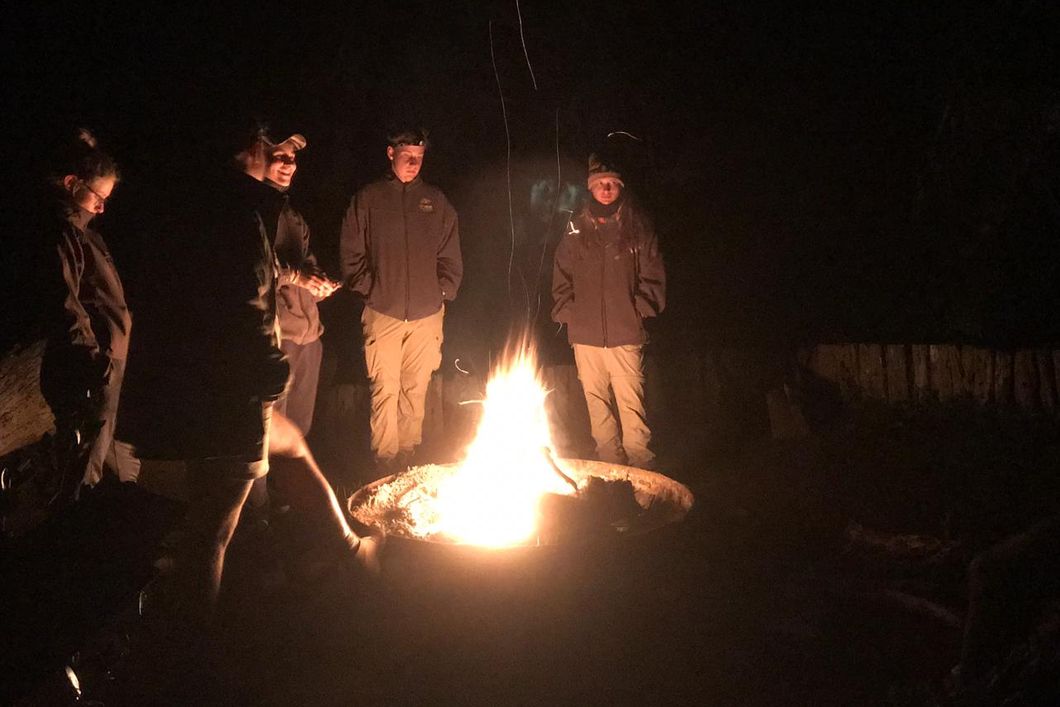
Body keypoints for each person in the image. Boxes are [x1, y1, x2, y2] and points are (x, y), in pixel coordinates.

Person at [339, 127, 462, 473]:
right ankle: (385, 462)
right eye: (406, 155)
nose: (413, 163)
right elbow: (351, 251)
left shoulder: (436, 202)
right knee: (385, 389)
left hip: (427, 314)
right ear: (390, 153)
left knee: (416, 388)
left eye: (419, 157)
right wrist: (369, 289)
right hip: (383, 312)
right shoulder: (369, 199)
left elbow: (450, 253)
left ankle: (408, 458)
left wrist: (442, 291)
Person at [37, 128, 140, 495]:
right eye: (99, 196)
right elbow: (65, 302)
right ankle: (72, 523)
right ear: (71, 183)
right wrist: (91, 357)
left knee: (101, 452)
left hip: (107, 361)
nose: (102, 207)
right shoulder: (63, 233)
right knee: (84, 460)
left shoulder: (84, 232)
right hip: (92, 367)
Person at [551, 153, 666, 468]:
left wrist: (639, 309)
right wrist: (567, 311)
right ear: (590, 188)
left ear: (620, 187)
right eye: (600, 184)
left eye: (611, 184)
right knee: (596, 404)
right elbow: (561, 271)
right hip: (585, 335)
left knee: (631, 405)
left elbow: (653, 274)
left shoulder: (637, 226)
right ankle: (609, 468)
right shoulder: (576, 227)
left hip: (625, 333)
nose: (605, 189)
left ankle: (641, 467)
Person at [245, 132, 339, 515]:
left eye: (293, 159)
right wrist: (299, 277)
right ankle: (257, 509)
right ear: (261, 158)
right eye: (279, 156)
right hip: (277, 333)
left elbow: (306, 260)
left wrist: (319, 280)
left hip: (307, 331)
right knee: (269, 429)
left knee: (298, 427)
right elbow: (259, 268)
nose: (288, 165)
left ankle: (286, 499)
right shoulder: (253, 209)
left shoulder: (291, 214)